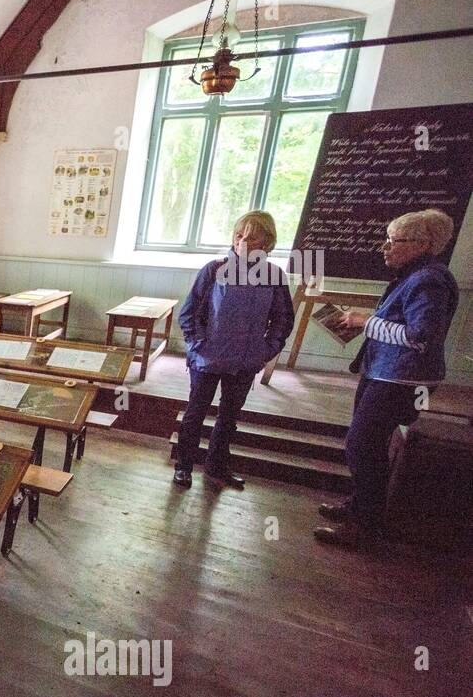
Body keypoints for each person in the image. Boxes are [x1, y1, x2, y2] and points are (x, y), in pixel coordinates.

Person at [315, 209, 459, 547]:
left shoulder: (429, 280)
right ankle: (359, 507)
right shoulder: (415, 274)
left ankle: (366, 528)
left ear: (423, 244)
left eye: (393, 242)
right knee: (365, 444)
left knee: (363, 446)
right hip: (385, 373)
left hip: (402, 379)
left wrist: (364, 322)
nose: (385, 248)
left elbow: (420, 336)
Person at [174, 210, 295, 489]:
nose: (243, 242)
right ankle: (183, 466)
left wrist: (265, 351)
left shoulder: (274, 276)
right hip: (208, 358)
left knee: (228, 418)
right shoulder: (214, 269)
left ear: (267, 242)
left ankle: (216, 467)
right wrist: (198, 346)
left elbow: (283, 320)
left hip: (245, 361)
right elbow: (189, 314)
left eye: (252, 237)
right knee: (195, 413)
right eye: (239, 235)